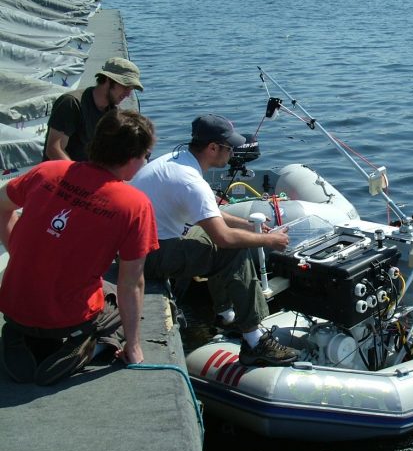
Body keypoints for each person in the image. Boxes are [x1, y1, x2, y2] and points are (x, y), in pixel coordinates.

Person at [0, 110, 159, 386]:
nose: (145, 161)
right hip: (66, 321)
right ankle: (90, 347)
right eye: (145, 155)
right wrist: (133, 348)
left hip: (13, 309)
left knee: (99, 286)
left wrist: (19, 252)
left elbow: (2, 206)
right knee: (117, 306)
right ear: (132, 158)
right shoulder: (134, 205)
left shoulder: (47, 170)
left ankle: (22, 342)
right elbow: (132, 283)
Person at [130, 114, 297, 367]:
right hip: (148, 256)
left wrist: (248, 225)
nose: (231, 154)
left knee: (216, 239)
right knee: (234, 249)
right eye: (229, 148)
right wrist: (267, 240)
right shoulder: (192, 182)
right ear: (212, 148)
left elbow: (210, 215)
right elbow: (224, 238)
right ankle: (254, 341)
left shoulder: (175, 161)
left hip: (138, 246)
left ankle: (225, 314)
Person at [43, 57, 144, 162]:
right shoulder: (72, 103)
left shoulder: (113, 114)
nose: (128, 94)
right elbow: (54, 149)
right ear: (108, 80)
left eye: (131, 89)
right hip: (61, 175)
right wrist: (80, 176)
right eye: (125, 87)